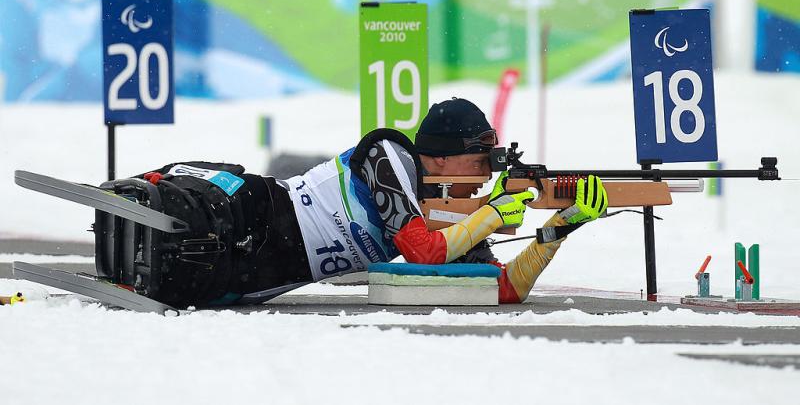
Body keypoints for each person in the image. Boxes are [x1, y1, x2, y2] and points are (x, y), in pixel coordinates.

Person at [116, 98, 607, 307]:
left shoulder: (454, 219)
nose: (487, 176)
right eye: (483, 160)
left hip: (257, 275)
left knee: (200, 276)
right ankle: (142, 190)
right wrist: (492, 214)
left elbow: (504, 290)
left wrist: (559, 228)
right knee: (212, 196)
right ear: (443, 155)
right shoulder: (388, 154)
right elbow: (422, 253)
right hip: (259, 213)